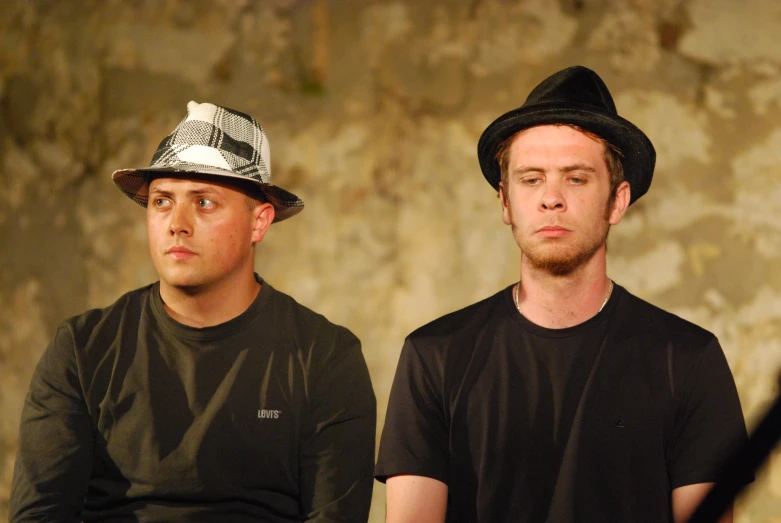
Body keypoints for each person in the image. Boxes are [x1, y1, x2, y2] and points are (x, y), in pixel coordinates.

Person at [375, 66, 750, 523]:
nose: (551, 198)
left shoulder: (688, 359)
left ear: (617, 201)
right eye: (531, 179)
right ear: (506, 202)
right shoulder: (433, 356)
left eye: (576, 178)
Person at [10, 101, 376, 522]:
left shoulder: (324, 356)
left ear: (259, 223)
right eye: (162, 201)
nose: (176, 223)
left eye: (204, 203)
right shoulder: (83, 348)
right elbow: (39, 514)